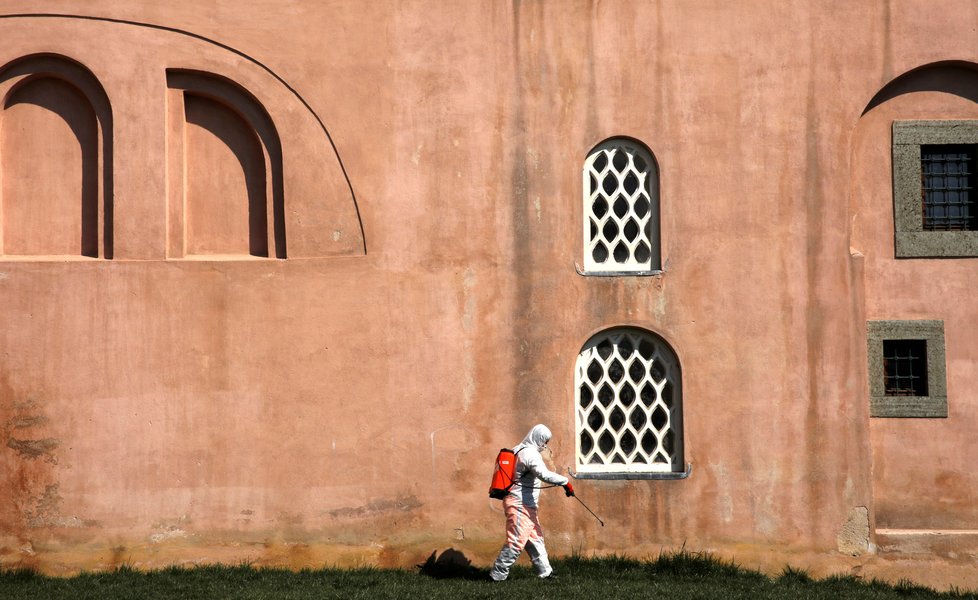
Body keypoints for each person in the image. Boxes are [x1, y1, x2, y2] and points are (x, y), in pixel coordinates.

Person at [489, 424, 575, 581]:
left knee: (535, 539)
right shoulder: (530, 453)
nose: (545, 445)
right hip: (520, 504)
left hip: (525, 504)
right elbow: (543, 474)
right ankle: (497, 575)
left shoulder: (518, 449)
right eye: (545, 441)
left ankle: (545, 572)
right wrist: (565, 482)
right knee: (516, 541)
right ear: (539, 438)